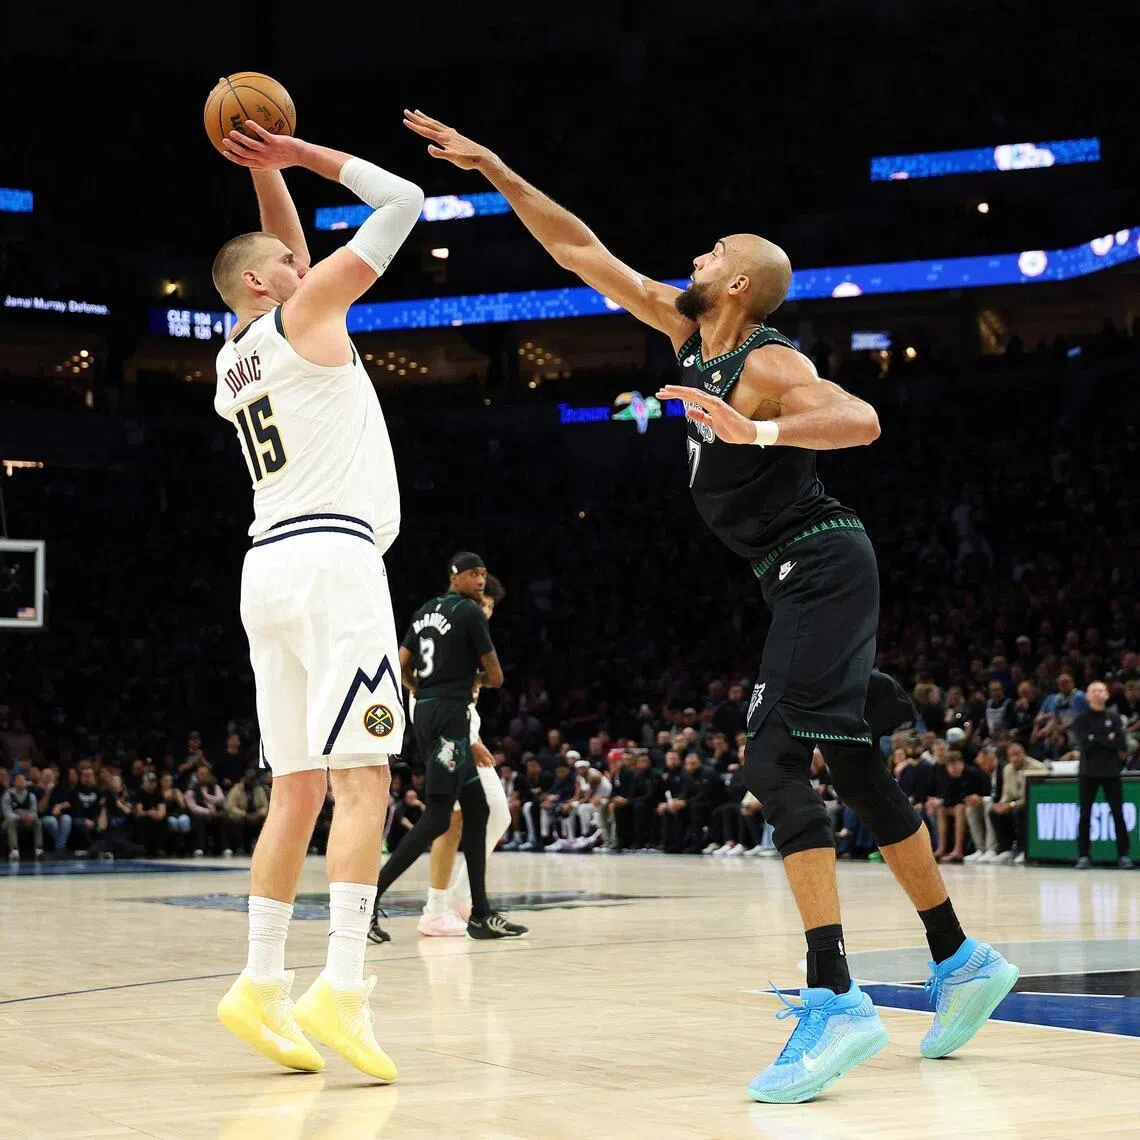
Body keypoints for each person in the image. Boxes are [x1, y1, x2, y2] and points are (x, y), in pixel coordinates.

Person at [403, 109, 1019, 1103]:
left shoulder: (766, 362)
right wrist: (498, 168)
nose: (695, 252)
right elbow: (578, 251)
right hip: (796, 574)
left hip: (823, 560)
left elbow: (858, 418)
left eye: (714, 249)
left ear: (739, 283)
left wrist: (757, 430)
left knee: (770, 758)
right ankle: (960, 960)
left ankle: (837, 997)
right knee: (857, 771)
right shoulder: (685, 330)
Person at [212, 116, 424, 1082]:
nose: (307, 265)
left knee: (295, 788)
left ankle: (260, 982)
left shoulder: (236, 353)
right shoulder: (305, 315)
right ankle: (342, 986)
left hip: (266, 568)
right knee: (364, 780)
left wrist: (261, 176)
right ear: (266, 282)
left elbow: (283, 252)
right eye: (288, 265)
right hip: (336, 564)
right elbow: (403, 203)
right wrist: (300, 156)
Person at [368, 554, 525, 941]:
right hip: (452, 718)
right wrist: (464, 680)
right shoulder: (469, 614)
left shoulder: (423, 612)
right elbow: (496, 676)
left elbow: (400, 663)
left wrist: (425, 686)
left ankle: (480, 914)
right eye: (476, 575)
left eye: (484, 575)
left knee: (479, 809)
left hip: (426, 712)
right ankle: (368, 902)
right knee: (439, 817)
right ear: (457, 577)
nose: (481, 581)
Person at [1071, 680, 1133, 869]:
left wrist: (1097, 738)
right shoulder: (1081, 718)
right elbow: (1085, 744)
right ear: (1088, 696)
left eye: (1101, 690)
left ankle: (1123, 855)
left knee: (1118, 814)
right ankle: (1083, 855)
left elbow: (1121, 744)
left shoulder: (1114, 717)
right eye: (1093, 691)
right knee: (1085, 815)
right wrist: (1107, 738)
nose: (1098, 693)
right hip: (1088, 772)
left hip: (1111, 772)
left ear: (1106, 694)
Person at [224, 769, 269, 855]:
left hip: (256, 816)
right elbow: (231, 807)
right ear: (244, 779)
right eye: (249, 780)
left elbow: (265, 806)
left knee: (266, 821)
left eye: (253, 780)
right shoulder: (236, 790)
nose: (251, 782)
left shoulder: (259, 789)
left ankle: (262, 847)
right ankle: (240, 847)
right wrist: (245, 815)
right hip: (241, 816)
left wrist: (259, 813)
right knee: (236, 821)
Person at [186, 763, 226, 856]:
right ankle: (199, 848)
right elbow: (192, 807)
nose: (204, 776)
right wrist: (207, 811)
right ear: (196, 775)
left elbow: (220, 799)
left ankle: (223, 848)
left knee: (223, 818)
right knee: (199, 819)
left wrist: (206, 796)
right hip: (198, 815)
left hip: (214, 814)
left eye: (206, 774)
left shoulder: (215, 786)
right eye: (201, 774)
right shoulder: (191, 788)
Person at [2, 772, 43, 861]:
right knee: (10, 821)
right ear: (15, 782)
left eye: (23, 780)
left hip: (27, 821)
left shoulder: (31, 796)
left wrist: (30, 817)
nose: (21, 782)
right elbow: (7, 812)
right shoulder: (8, 794)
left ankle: (38, 849)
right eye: (19, 780)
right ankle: (14, 850)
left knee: (37, 821)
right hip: (11, 821)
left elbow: (34, 811)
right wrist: (19, 816)